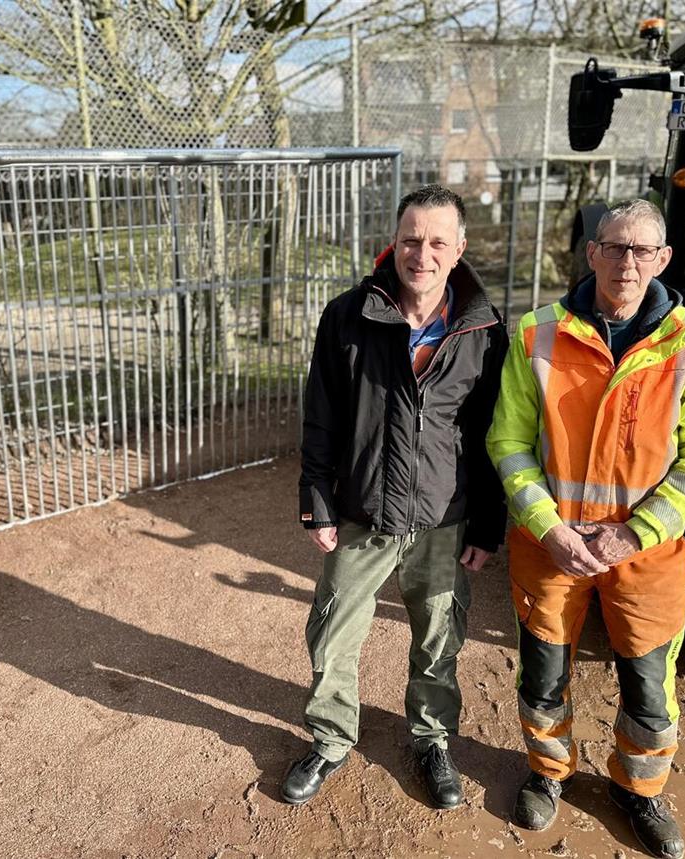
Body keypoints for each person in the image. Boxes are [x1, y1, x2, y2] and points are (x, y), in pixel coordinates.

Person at [486, 199, 685, 859]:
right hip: (551, 548)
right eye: (615, 247)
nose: (628, 262)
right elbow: (508, 441)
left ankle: (638, 788)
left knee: (649, 684)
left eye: (642, 250)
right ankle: (549, 772)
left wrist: (638, 531)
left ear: (662, 259)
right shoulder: (537, 333)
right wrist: (548, 527)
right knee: (543, 674)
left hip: (645, 553)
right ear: (592, 252)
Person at [283, 184, 508, 810]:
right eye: (412, 239)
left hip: (442, 519)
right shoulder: (348, 315)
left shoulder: (484, 329)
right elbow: (321, 416)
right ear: (394, 241)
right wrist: (317, 500)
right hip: (363, 511)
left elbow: (493, 433)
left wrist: (487, 525)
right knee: (333, 634)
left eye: (438, 242)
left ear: (459, 249)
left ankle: (432, 740)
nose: (422, 254)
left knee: (439, 637)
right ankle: (330, 739)